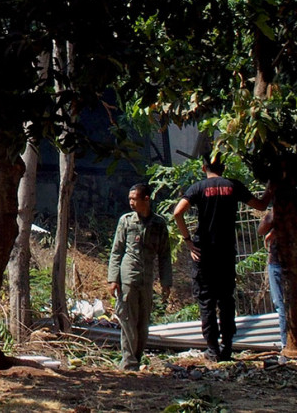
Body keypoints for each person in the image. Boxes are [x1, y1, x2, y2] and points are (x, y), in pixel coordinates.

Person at [173, 152, 274, 362]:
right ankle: (227, 347)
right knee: (226, 300)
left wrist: (188, 240)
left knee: (207, 301)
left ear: (203, 169)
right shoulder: (233, 185)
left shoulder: (198, 188)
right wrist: (271, 186)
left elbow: (177, 213)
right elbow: (262, 205)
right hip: (226, 252)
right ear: (224, 168)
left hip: (204, 254)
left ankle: (212, 351)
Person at [108, 182, 173, 371]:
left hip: (147, 280)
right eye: (129, 199)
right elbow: (116, 251)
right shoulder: (126, 221)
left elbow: (164, 255)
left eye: (134, 199)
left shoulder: (159, 224)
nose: (131, 203)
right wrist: (113, 279)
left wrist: (166, 282)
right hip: (128, 277)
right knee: (127, 320)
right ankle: (128, 362)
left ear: (146, 199)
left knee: (143, 323)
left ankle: (136, 358)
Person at [258, 209, 288, 363]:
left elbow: (261, 229)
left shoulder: (278, 210)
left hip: (278, 263)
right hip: (279, 262)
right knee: (282, 305)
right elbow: (261, 230)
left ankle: (286, 345)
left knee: (281, 305)